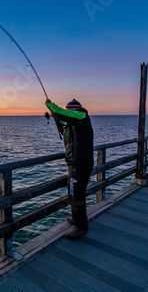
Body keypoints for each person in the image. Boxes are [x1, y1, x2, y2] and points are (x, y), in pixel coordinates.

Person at [45, 98, 94, 239]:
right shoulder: (73, 123)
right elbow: (62, 128)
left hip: (81, 163)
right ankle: (77, 218)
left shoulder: (81, 115)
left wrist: (50, 105)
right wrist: (55, 117)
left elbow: (61, 112)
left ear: (73, 110)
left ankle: (81, 226)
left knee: (76, 193)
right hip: (75, 162)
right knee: (73, 192)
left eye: (68, 111)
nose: (67, 113)